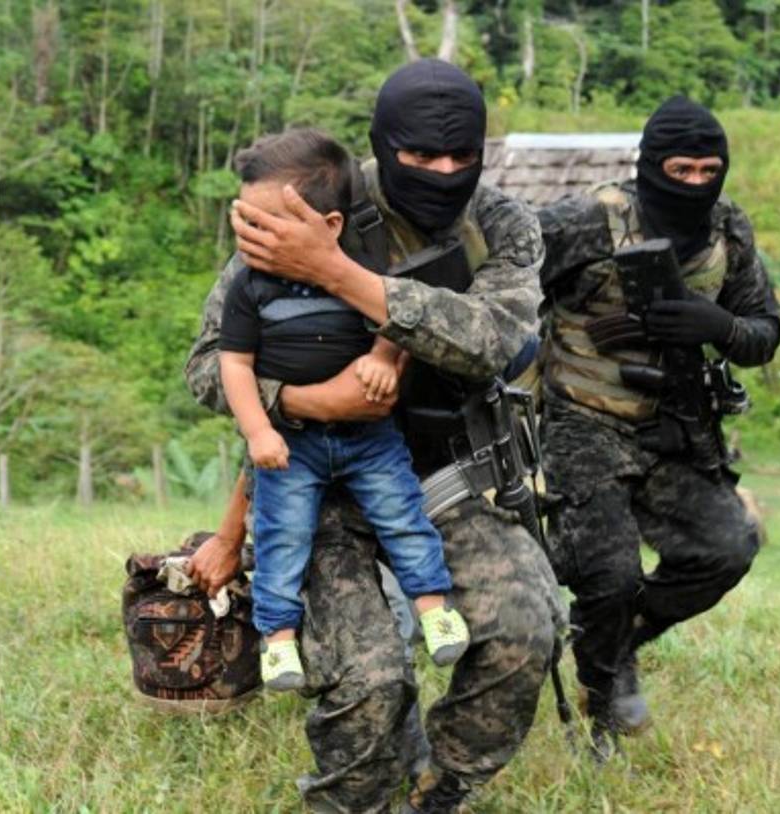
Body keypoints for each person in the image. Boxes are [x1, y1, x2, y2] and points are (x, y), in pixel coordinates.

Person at [185, 58, 563, 814]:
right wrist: (305, 398)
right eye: (420, 156)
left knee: (525, 631)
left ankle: (441, 786)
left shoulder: (501, 223)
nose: (444, 171)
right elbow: (207, 367)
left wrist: (332, 273)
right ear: (384, 145)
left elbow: (492, 340)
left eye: (463, 156)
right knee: (369, 684)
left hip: (445, 478)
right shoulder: (311, 200)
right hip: (314, 483)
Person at [536, 95, 780, 757]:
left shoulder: (729, 230)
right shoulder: (588, 220)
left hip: (675, 423)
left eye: (710, 171)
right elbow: (504, 276)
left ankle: (611, 646)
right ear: (651, 166)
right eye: (682, 169)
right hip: (580, 421)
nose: (697, 185)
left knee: (727, 548)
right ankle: (601, 723)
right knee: (609, 574)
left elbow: (764, 334)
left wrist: (718, 327)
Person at [217, 129, 470, 691]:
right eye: (245, 223)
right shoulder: (249, 287)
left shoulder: (361, 269)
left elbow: (397, 318)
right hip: (292, 441)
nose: (250, 238)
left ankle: (433, 606)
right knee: (284, 536)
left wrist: (385, 357)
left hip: (369, 438)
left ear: (329, 226)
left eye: (265, 225)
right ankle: (277, 639)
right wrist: (259, 429)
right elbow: (231, 364)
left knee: (403, 514)